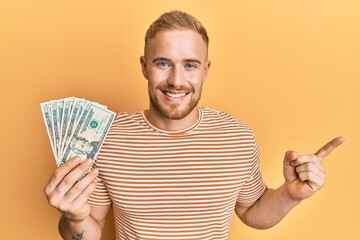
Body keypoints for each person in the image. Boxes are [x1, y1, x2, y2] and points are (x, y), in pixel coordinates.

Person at [44, 10, 345, 240]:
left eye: (190, 65)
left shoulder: (237, 137)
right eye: (163, 63)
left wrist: (291, 195)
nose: (176, 80)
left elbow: (252, 212)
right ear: (144, 67)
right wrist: (73, 219)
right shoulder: (106, 139)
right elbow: (90, 230)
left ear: (205, 71)